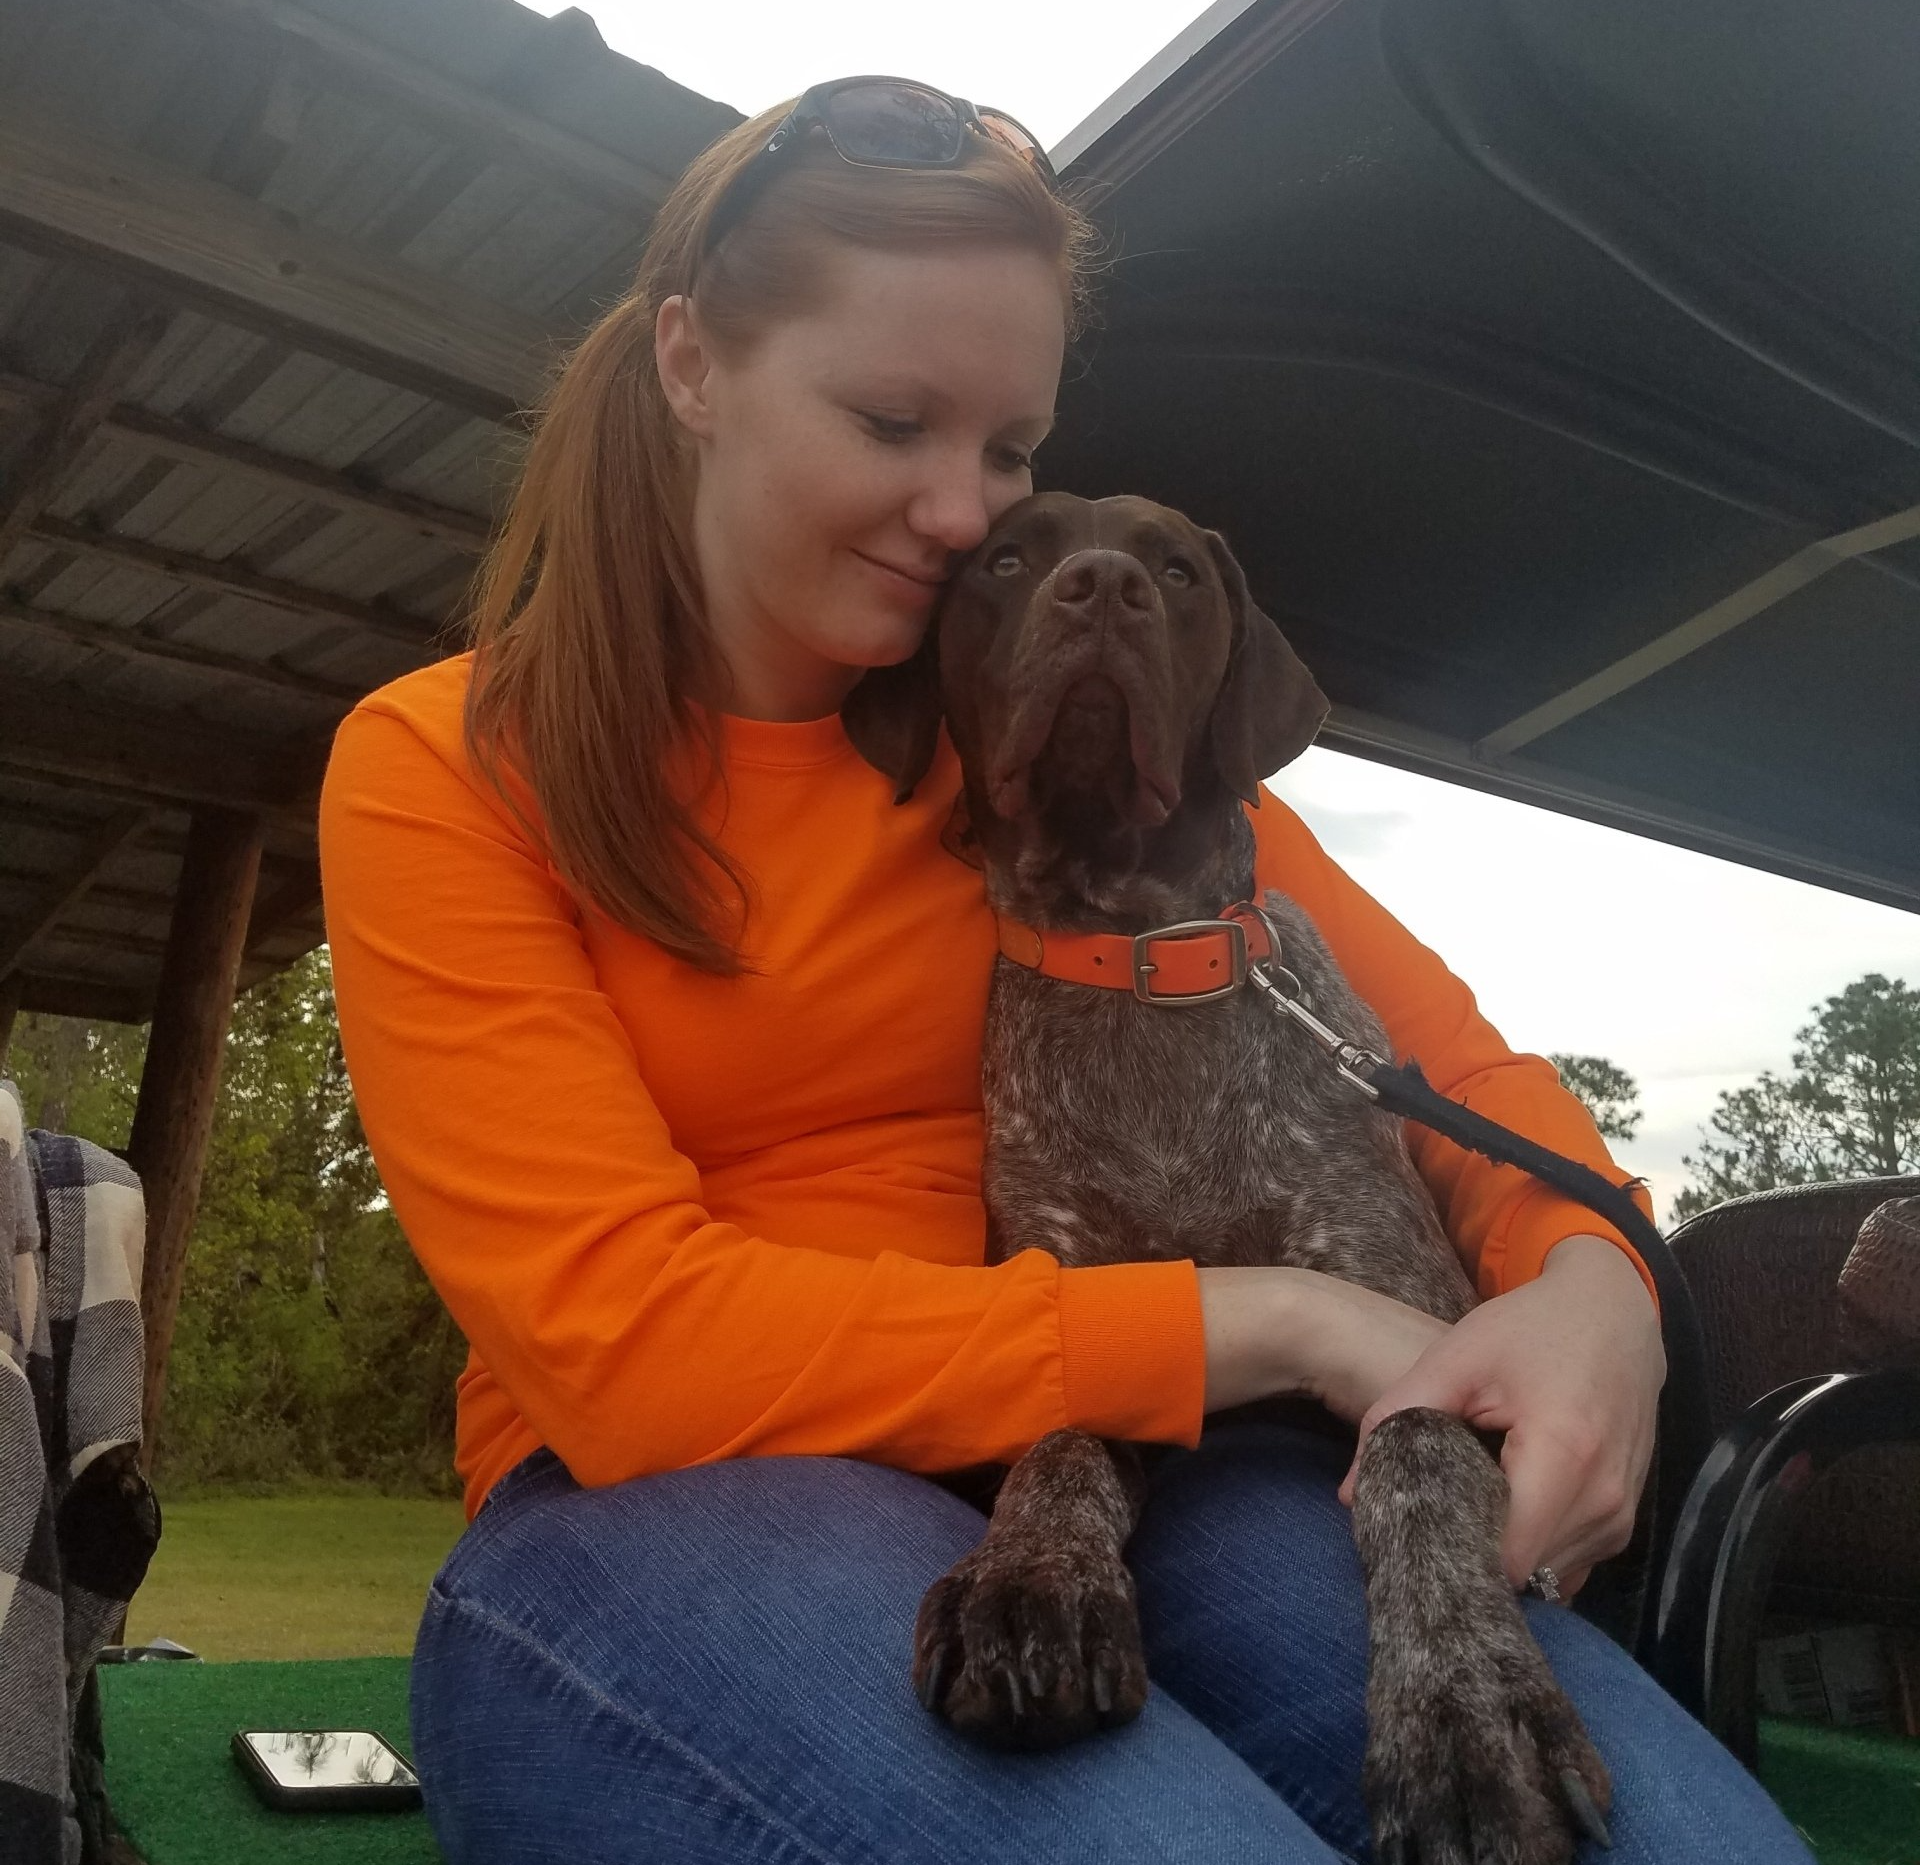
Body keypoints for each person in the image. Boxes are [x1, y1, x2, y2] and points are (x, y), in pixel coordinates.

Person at [318, 78, 1812, 1865]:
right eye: (894, 421)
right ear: (692, 363)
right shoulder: (450, 764)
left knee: (1680, 1846)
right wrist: (1282, 1319)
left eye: (1012, 446)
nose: (965, 510)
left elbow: (1450, 1077)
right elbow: (621, 1345)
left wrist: (1594, 1285)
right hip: (681, 1496)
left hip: (1152, 1466)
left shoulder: (1070, 755)